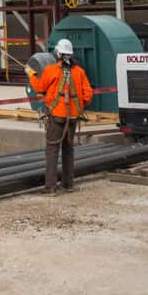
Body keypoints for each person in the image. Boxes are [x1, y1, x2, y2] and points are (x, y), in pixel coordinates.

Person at [25, 38, 94, 193]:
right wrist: (78, 106)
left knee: (52, 149)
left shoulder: (51, 70)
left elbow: (39, 87)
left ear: (58, 53)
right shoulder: (79, 72)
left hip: (57, 116)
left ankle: (51, 186)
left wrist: (31, 74)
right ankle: (68, 184)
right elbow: (88, 94)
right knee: (69, 149)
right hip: (73, 117)